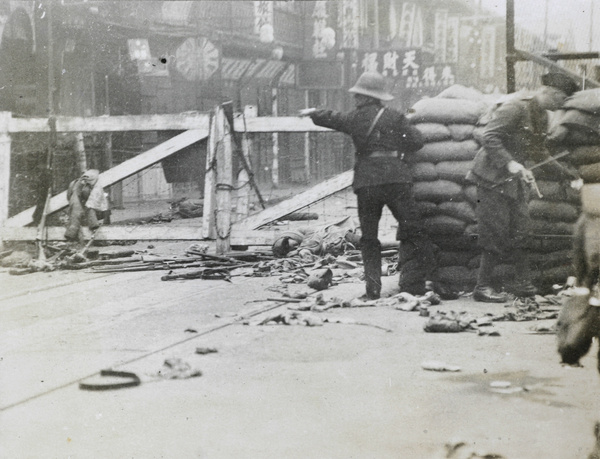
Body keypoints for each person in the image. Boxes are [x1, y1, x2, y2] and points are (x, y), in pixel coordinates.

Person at [303, 71, 435, 299]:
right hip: (396, 179)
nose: (355, 99)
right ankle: (426, 281)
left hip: (367, 183)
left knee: (369, 238)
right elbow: (417, 141)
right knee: (415, 231)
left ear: (365, 97)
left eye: (358, 95)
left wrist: (314, 113)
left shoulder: (355, 118)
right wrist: (397, 151)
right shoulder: (394, 117)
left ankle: (372, 289)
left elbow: (334, 118)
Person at [466, 72, 579, 302]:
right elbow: (490, 137)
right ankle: (482, 287)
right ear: (550, 92)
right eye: (560, 99)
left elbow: (539, 152)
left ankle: (523, 285)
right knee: (494, 232)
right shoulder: (515, 107)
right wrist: (510, 163)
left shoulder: (542, 116)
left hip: (513, 181)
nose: (560, 106)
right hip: (491, 178)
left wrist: (566, 175)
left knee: (522, 231)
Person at [65, 169, 110, 241]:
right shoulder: (77, 185)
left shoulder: (97, 186)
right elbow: (72, 199)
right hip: (81, 205)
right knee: (76, 208)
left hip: (92, 208)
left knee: (89, 207)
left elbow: (94, 201)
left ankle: (93, 226)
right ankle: (72, 233)